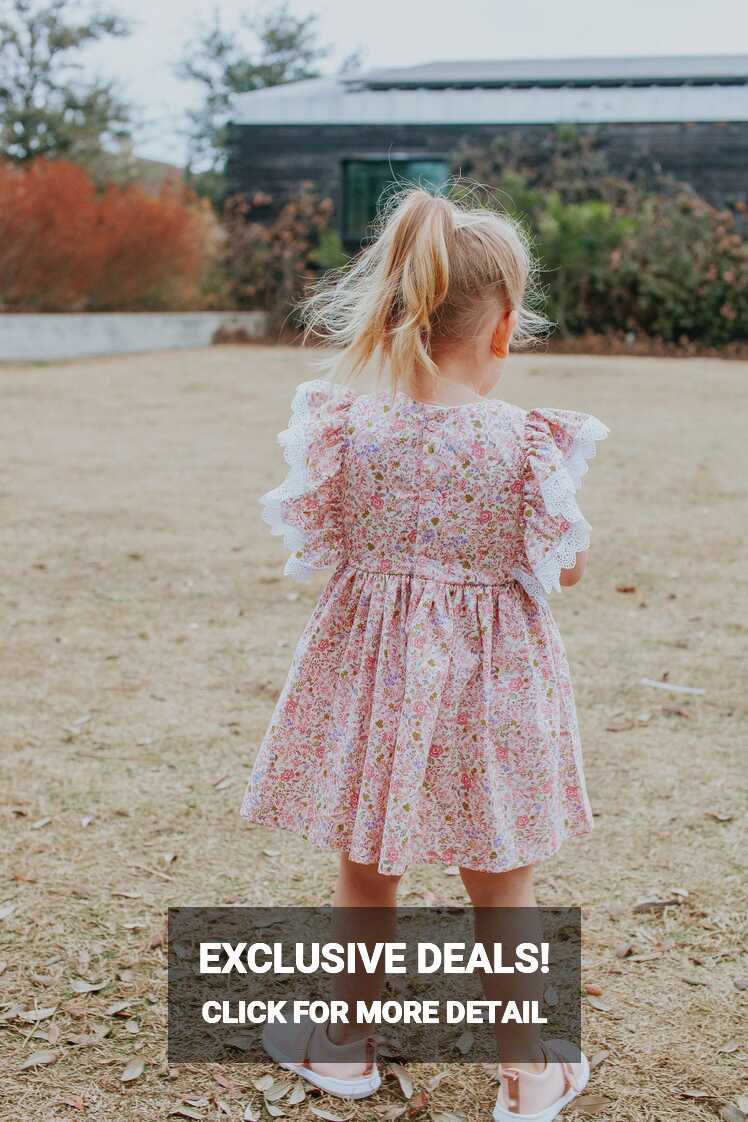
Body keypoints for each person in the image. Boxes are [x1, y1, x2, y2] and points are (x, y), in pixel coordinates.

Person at [241, 186, 608, 1120]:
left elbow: (319, 546)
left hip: (376, 681)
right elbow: (562, 567)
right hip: (496, 683)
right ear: (504, 330)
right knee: (503, 873)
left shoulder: (345, 429)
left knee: (369, 864)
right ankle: (526, 1075)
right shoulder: (528, 443)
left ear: (401, 307)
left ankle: (347, 1047)